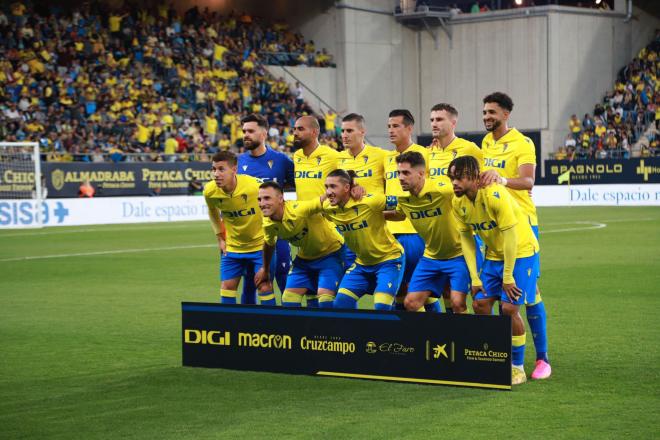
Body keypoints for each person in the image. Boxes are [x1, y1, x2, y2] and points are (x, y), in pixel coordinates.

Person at [449, 156, 539, 385]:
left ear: (473, 176)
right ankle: (495, 356)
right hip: (493, 256)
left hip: (521, 253)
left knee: (509, 308)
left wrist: (508, 277)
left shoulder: (494, 194)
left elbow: (511, 236)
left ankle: (517, 366)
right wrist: (475, 276)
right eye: (451, 178)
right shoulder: (458, 202)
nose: (454, 183)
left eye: (458, 178)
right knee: (479, 304)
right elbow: (467, 240)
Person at [479, 92, 551, 380]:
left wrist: (503, 180)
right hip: (496, 224)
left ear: (506, 114)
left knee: (529, 296)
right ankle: (505, 355)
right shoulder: (485, 143)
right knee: (497, 299)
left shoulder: (522, 143)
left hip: (522, 224)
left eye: (492, 112)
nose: (486, 116)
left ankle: (542, 360)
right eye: (484, 112)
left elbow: (528, 180)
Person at [384, 152, 470, 313]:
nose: (400, 178)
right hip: (431, 256)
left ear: (421, 174)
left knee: (457, 303)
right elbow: (399, 215)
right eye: (398, 173)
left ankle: (463, 338)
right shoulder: (403, 198)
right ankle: (432, 337)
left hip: (458, 254)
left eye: (406, 173)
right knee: (411, 303)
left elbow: (469, 191)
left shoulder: (442, 190)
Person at [320, 169, 404, 311]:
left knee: (382, 307)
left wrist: (380, 215)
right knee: (340, 304)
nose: (328, 192)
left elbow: (402, 211)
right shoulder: (328, 208)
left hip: (389, 260)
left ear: (347, 188)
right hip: (362, 264)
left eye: (333, 186)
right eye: (326, 187)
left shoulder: (371, 201)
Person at [428, 103, 484, 313]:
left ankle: (485, 342)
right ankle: (455, 340)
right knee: (447, 294)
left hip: (465, 232)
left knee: (479, 296)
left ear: (453, 122)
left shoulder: (469, 149)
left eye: (439, 119)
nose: (434, 123)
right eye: (432, 119)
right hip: (439, 235)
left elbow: (484, 181)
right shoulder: (429, 153)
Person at [254, 181, 345, 308]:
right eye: (259, 199)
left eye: (267, 198)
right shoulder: (268, 223)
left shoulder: (298, 210)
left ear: (281, 199)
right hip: (305, 259)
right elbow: (269, 244)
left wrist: (348, 187)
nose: (262, 203)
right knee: (288, 300)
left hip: (331, 254)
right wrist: (265, 269)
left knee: (325, 300)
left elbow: (321, 201)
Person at [203, 151, 275, 306]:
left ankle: (271, 326)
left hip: (260, 247)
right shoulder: (210, 191)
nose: (216, 174)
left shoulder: (254, 187)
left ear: (234, 170)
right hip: (233, 248)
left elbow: (275, 203)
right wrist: (220, 238)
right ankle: (231, 328)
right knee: (227, 287)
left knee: (264, 286)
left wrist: (271, 233)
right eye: (213, 169)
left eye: (221, 169)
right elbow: (213, 212)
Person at [237, 114, 294, 304]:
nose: (246, 135)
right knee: (252, 282)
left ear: (263, 133)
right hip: (250, 234)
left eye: (250, 131)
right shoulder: (237, 163)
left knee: (285, 278)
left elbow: (301, 185)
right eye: (244, 131)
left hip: (279, 232)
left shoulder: (281, 160)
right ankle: (253, 328)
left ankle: (292, 326)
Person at [384, 109, 433, 311]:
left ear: (409, 128)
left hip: (414, 232)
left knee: (420, 292)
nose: (391, 130)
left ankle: (434, 338)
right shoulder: (386, 159)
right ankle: (406, 340)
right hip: (390, 233)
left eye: (396, 126)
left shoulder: (426, 154)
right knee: (399, 290)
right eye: (389, 126)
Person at [292, 115, 340, 307]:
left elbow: (350, 175)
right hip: (304, 231)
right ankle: (312, 336)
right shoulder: (296, 157)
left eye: (300, 129)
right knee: (309, 292)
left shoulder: (332, 156)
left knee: (328, 295)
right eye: (294, 129)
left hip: (328, 229)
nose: (295, 133)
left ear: (314, 132)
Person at [337, 113, 386, 268]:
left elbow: (407, 160)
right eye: (343, 131)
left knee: (397, 283)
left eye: (349, 131)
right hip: (349, 231)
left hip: (376, 231)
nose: (344, 135)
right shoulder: (337, 159)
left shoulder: (381, 155)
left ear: (362, 132)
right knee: (349, 279)